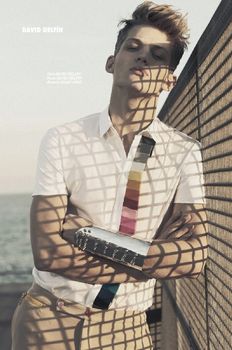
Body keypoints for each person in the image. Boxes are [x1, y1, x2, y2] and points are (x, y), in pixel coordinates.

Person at [11, 2, 208, 349]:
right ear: (111, 62)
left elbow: (193, 257)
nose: (142, 57)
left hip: (126, 329)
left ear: (168, 80)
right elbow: (48, 254)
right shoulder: (64, 139)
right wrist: (154, 259)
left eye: (157, 54)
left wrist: (88, 236)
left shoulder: (184, 152)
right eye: (132, 47)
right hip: (48, 318)